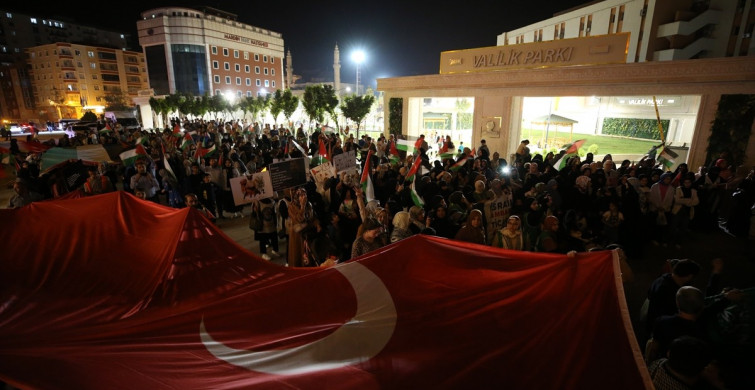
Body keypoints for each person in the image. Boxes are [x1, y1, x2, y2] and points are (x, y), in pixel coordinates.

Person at [644, 259, 702, 341]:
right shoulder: (672, 293)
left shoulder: (662, 279)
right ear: (689, 276)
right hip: (660, 331)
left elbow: (649, 294)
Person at [287, 187, 317, 267]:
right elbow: (299, 219)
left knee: (308, 255)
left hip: (308, 233)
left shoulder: (309, 204)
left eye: (305, 194)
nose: (304, 197)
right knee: (299, 253)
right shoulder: (292, 206)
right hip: (298, 236)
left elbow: (312, 217)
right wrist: (302, 206)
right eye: (301, 195)